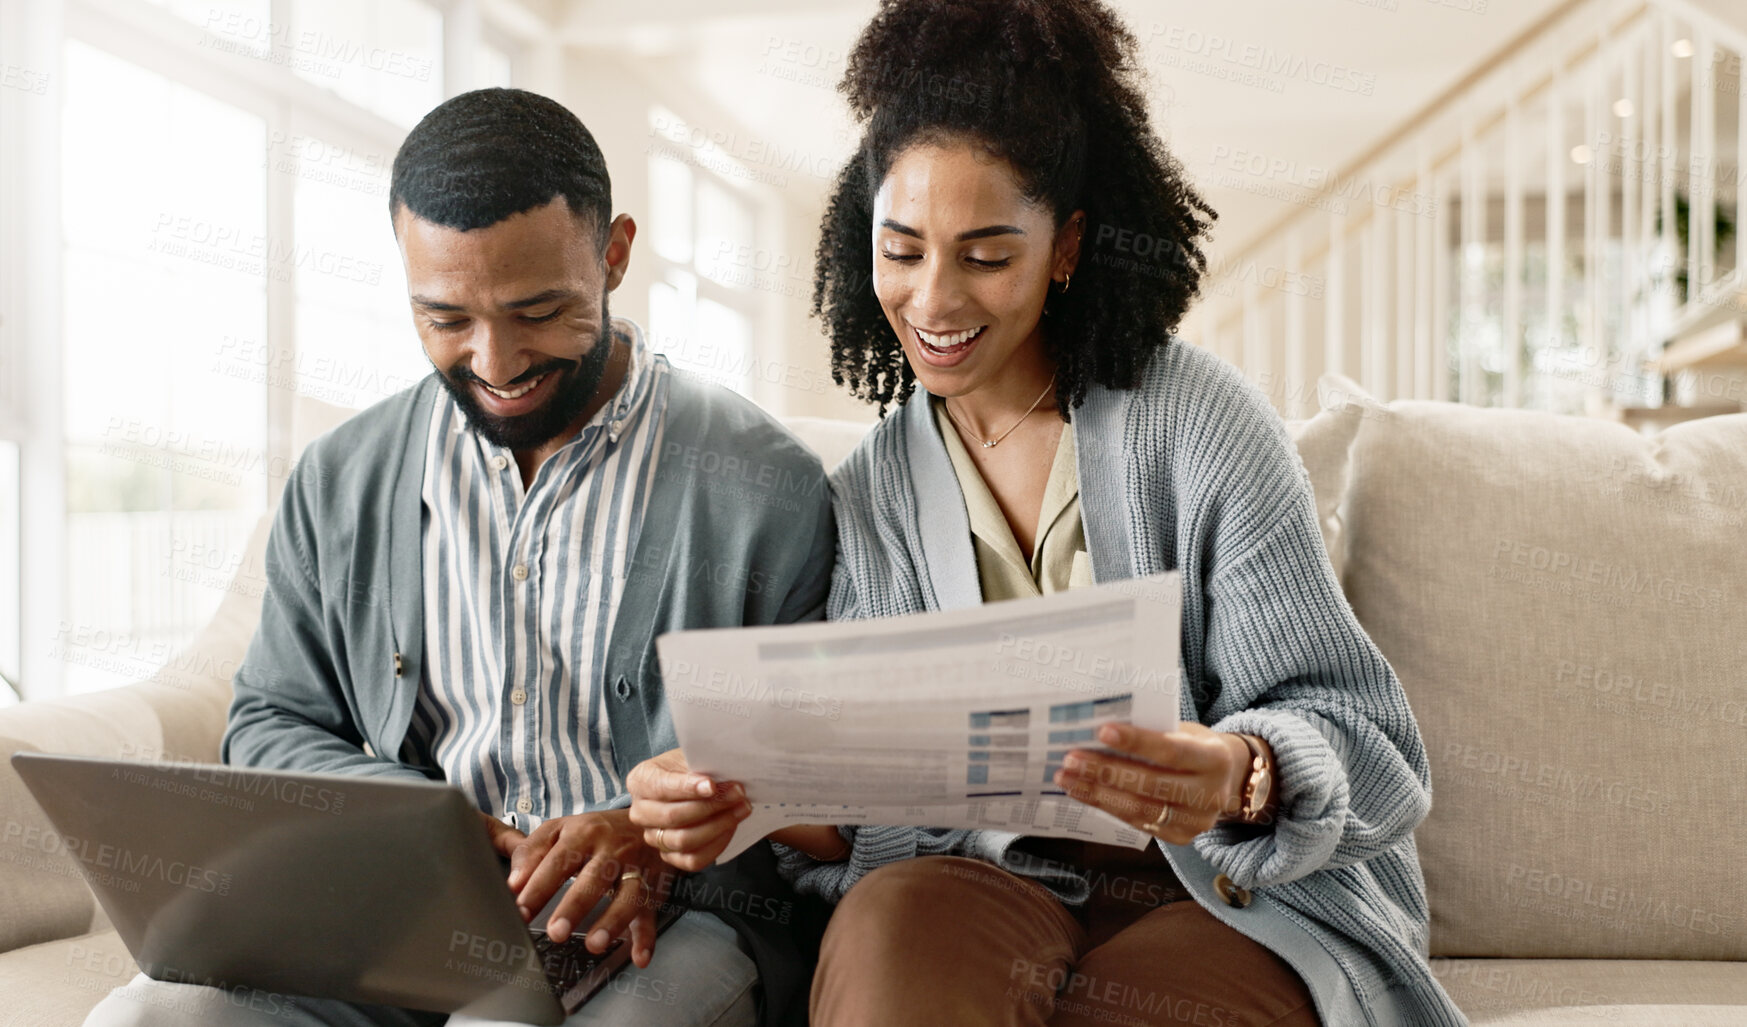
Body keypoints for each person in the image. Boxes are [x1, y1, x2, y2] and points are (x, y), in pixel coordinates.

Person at [625, 2, 1470, 1025]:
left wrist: (1240, 774)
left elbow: (1365, 737)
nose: (933, 301)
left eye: (986, 255)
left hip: (1226, 891)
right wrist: (741, 799)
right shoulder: (872, 494)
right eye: (902, 250)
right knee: (890, 950)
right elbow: (883, 812)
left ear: (1065, 245)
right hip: (988, 885)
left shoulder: (1197, 425)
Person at [84, 87, 836, 1027]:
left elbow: (820, 767)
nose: (496, 361)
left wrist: (641, 831)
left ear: (614, 253)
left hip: (665, 918)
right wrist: (426, 832)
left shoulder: (764, 485)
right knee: (150, 1019)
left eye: (539, 310)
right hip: (402, 910)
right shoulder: (339, 477)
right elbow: (272, 717)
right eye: (446, 318)